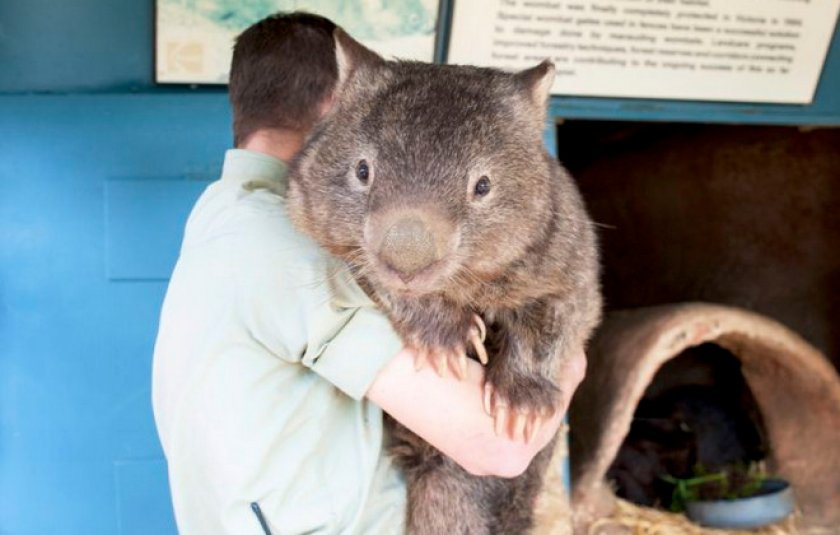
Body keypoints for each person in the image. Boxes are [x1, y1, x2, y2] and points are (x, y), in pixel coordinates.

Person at [152, 11, 587, 535]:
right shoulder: (282, 244)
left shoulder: (222, 216)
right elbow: (496, 443)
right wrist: (571, 365)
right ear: (341, 107)